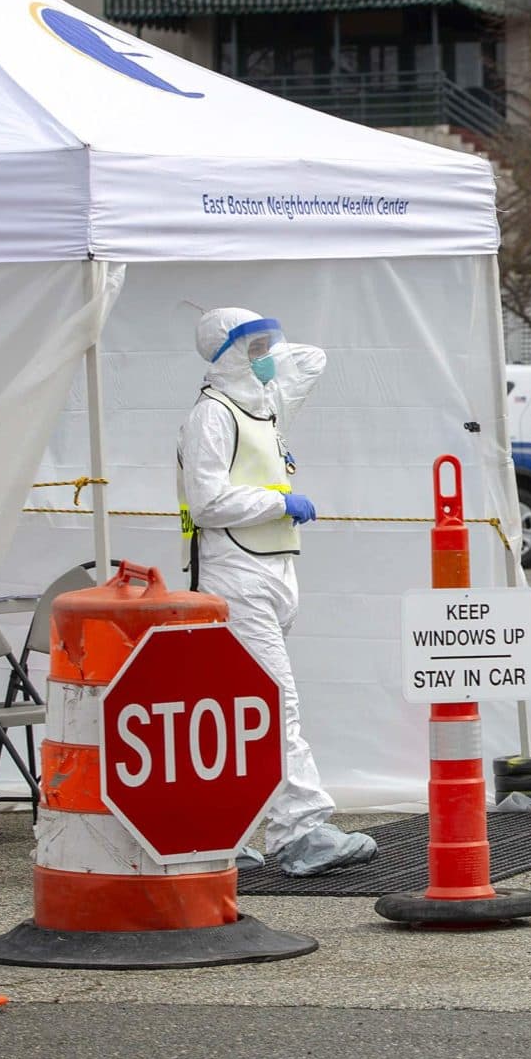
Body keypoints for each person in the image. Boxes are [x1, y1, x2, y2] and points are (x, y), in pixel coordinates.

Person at [178, 308, 378, 877]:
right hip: (231, 572)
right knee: (273, 700)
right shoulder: (211, 415)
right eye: (256, 346)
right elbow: (207, 500)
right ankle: (301, 829)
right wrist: (277, 501)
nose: (269, 354)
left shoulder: (265, 407)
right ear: (228, 355)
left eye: (269, 344)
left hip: (272, 567)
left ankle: (227, 829)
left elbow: (312, 360)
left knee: (246, 708)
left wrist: (268, 347)